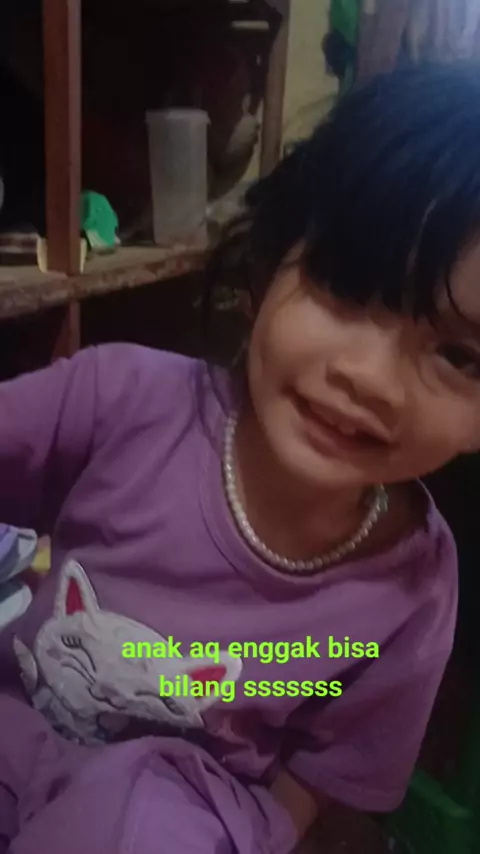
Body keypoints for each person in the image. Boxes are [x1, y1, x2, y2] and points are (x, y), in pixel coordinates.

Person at [2, 61, 480, 853]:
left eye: (459, 357)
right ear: (266, 265)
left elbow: (322, 783)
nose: (369, 377)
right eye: (343, 285)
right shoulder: (119, 398)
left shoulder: (415, 586)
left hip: (174, 815)